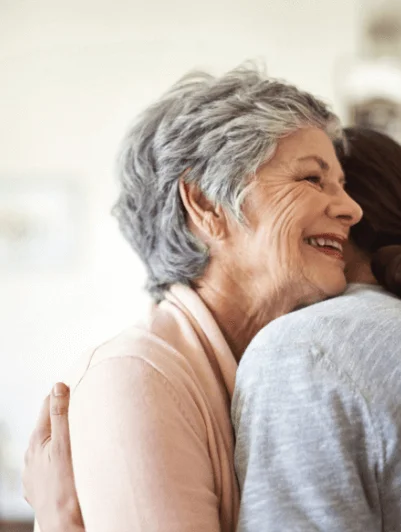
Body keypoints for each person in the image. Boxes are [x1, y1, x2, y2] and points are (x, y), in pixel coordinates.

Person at [24, 128, 401, 531]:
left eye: (332, 180)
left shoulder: (308, 351)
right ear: (208, 207)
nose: (341, 203)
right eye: (311, 179)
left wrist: (63, 524)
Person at [22, 67, 362, 532]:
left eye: (342, 185)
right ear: (205, 205)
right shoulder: (137, 378)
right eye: (310, 179)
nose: (351, 209)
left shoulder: (276, 368)